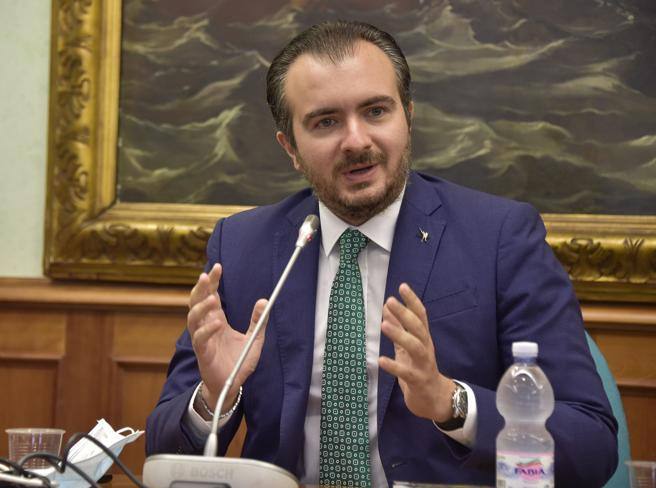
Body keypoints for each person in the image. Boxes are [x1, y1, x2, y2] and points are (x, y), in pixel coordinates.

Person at [146, 20, 618, 487]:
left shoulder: (498, 238)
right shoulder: (243, 247)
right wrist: (215, 394)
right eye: (326, 122)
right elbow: (162, 452)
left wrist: (449, 401)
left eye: (375, 111)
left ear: (407, 117)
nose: (356, 141)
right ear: (290, 147)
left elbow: (591, 445)